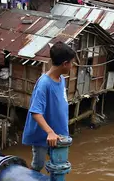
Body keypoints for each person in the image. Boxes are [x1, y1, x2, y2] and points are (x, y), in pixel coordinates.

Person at [22, 42, 75, 172]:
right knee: (38, 166)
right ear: (65, 64)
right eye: (71, 63)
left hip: (59, 134)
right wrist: (50, 132)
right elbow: (35, 112)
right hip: (44, 136)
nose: (72, 66)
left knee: (59, 166)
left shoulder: (61, 79)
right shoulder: (44, 84)